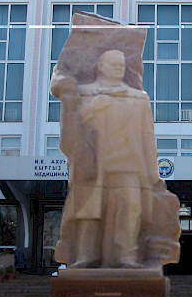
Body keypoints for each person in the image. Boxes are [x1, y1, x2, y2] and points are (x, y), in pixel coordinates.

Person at [50, 49, 176, 268]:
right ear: (100, 66)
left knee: (130, 210)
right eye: (113, 64)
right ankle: (86, 255)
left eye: (121, 65)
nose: (119, 68)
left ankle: (126, 256)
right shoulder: (85, 93)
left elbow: (146, 136)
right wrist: (91, 109)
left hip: (128, 164)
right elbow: (70, 126)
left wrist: (151, 173)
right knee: (89, 211)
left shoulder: (138, 98)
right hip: (93, 163)